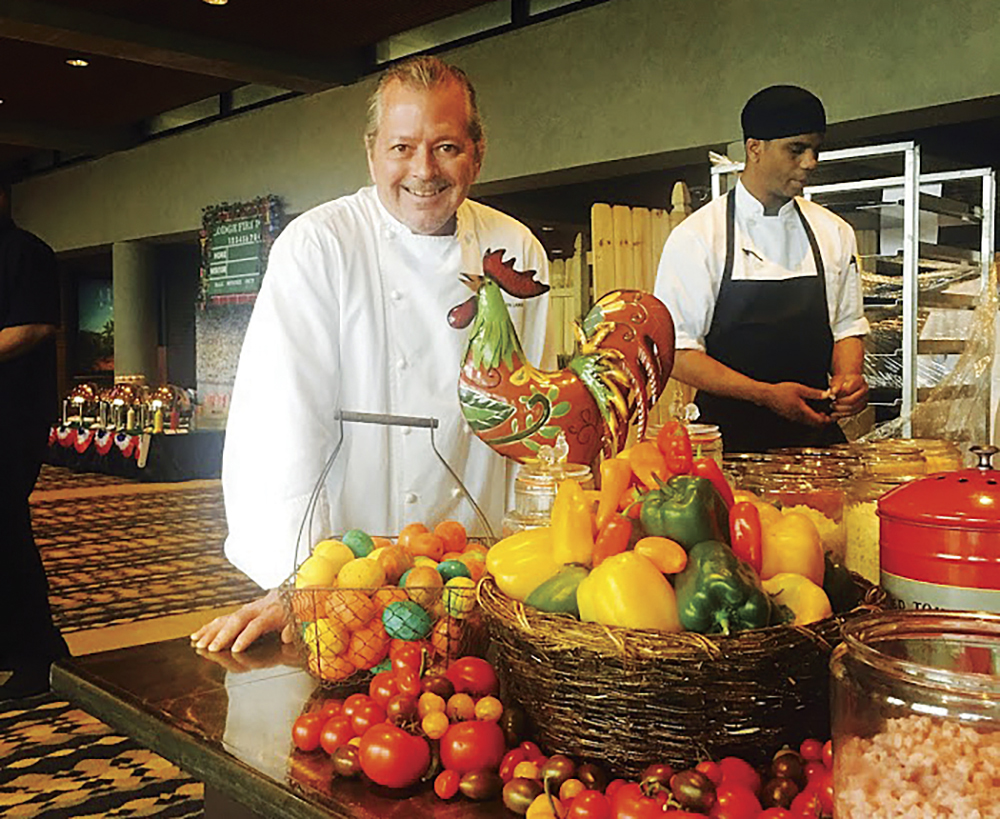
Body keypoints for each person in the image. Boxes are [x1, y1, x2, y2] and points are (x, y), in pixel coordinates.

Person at [192, 56, 550, 653]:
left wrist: (534, 566)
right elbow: (281, 423)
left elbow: (533, 428)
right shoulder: (319, 245)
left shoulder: (515, 247)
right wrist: (296, 583)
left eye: (447, 148)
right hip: (346, 592)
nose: (423, 171)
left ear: (478, 152)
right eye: (402, 147)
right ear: (372, 152)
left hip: (475, 578)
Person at [654, 85, 869, 453]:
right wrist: (765, 395)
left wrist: (850, 378)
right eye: (796, 149)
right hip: (726, 449)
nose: (811, 162)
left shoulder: (834, 232)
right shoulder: (698, 237)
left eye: (816, 149)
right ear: (755, 148)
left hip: (816, 446)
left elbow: (847, 327)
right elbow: (678, 353)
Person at [0, 179, 69, 700]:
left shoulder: (27, 252)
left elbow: (35, 327)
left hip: (13, 418)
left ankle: (39, 656)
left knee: (6, 529)